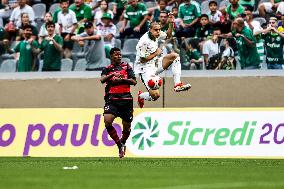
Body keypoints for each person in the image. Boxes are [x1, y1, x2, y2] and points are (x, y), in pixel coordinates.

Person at [135, 14, 191, 108]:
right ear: (150, 30)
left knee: (175, 56)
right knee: (155, 96)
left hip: (155, 63)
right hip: (144, 68)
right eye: (156, 30)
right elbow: (142, 60)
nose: (158, 32)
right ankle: (141, 96)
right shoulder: (143, 42)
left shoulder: (157, 34)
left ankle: (177, 84)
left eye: (159, 29)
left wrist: (170, 23)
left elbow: (168, 35)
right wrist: (156, 53)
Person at [100, 47, 137, 158]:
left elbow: (134, 81)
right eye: (116, 55)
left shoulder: (127, 67)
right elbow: (102, 80)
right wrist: (112, 75)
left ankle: (123, 142)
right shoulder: (107, 69)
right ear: (111, 56)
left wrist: (122, 80)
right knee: (107, 121)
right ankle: (119, 144)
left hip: (126, 100)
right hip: (112, 100)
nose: (119, 56)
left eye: (120, 54)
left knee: (126, 128)